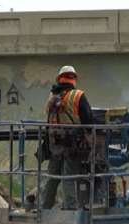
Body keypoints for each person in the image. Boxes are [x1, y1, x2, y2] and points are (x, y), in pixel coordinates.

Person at [39, 65, 96, 210]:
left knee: (52, 177)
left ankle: (44, 208)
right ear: (74, 79)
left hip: (54, 145)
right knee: (68, 177)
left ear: (59, 79)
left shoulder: (52, 98)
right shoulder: (78, 96)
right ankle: (70, 209)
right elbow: (89, 122)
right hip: (72, 146)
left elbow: (48, 123)